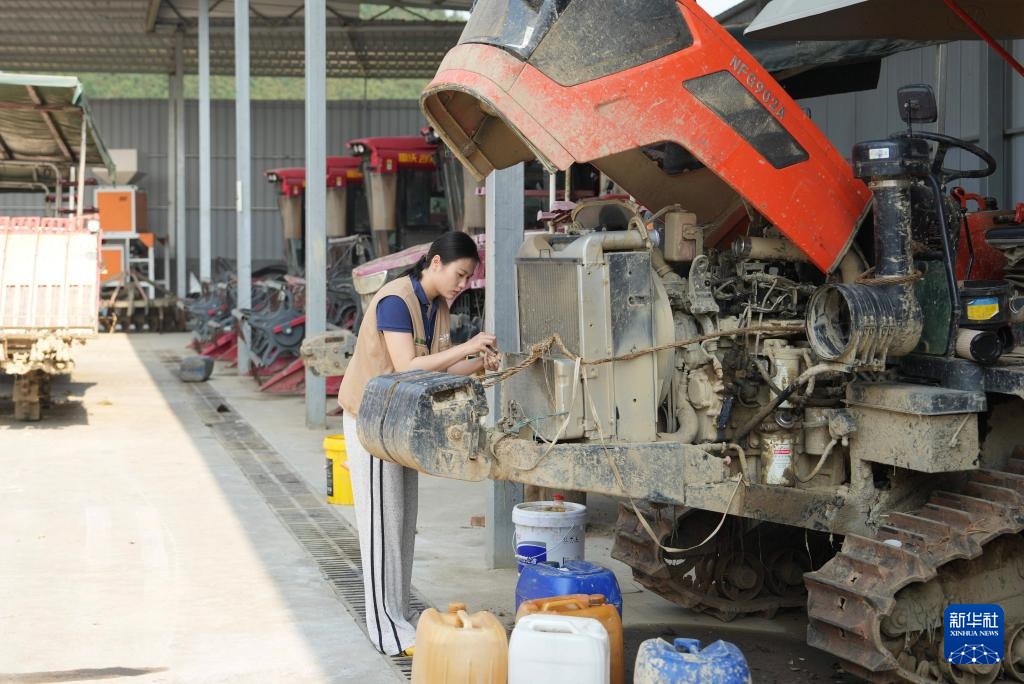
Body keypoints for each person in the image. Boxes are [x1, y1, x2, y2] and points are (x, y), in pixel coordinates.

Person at [337, 231, 499, 656]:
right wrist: (468, 346)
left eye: (468, 278)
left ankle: (399, 614)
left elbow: (437, 371)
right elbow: (409, 366)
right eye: (460, 275)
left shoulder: (437, 305)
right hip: (372, 421)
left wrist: (480, 363)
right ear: (435, 263)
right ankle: (385, 630)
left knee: (402, 523)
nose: (462, 284)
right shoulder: (396, 300)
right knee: (381, 527)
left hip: (400, 423)